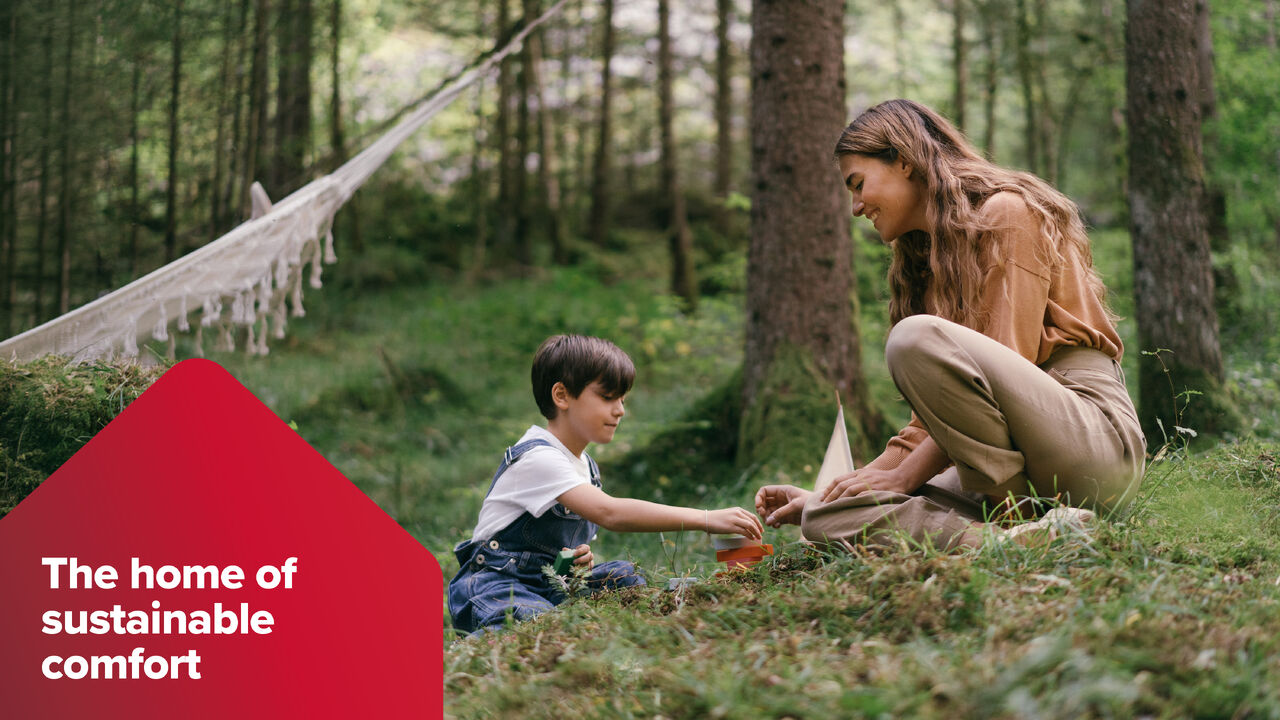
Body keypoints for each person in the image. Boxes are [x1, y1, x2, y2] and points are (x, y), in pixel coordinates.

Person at [755, 99, 1146, 551]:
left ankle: (1015, 521)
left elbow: (1006, 361)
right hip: (1013, 469)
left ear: (903, 161)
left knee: (913, 338)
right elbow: (938, 421)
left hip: (1086, 445)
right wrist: (832, 495)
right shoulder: (928, 261)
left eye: (858, 184)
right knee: (823, 521)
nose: (857, 207)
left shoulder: (1008, 213)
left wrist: (905, 476)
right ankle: (1016, 542)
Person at [449, 334, 763, 635]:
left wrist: (576, 561)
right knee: (531, 624)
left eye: (623, 399)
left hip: (548, 584)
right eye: (608, 397)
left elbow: (562, 549)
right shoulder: (538, 458)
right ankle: (477, 655)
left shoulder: (586, 468)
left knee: (625, 576)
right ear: (562, 396)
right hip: (497, 586)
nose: (620, 410)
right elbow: (610, 513)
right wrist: (705, 518)